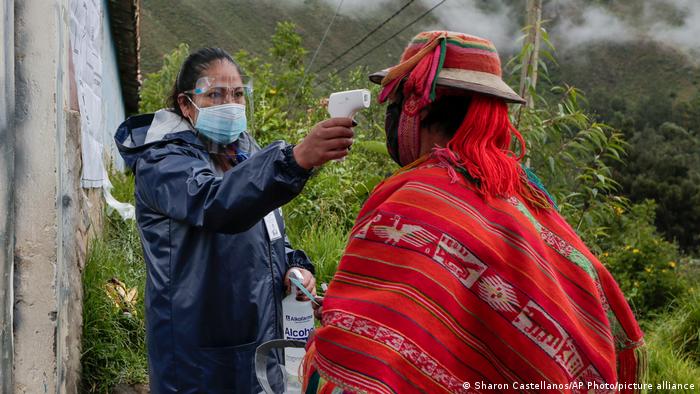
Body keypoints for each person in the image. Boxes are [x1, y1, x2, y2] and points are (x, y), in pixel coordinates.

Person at [302, 31, 645, 393]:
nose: (392, 115)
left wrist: (339, 317)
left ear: (417, 107)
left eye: (397, 102)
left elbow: (363, 355)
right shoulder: (522, 191)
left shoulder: (417, 201)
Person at [114, 47, 354, 393]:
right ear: (185, 104)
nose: (231, 103)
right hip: (197, 354)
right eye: (215, 94)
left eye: (238, 94)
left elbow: (268, 232)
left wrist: (293, 267)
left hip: (257, 341)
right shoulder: (163, 161)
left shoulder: (246, 150)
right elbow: (217, 203)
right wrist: (295, 158)